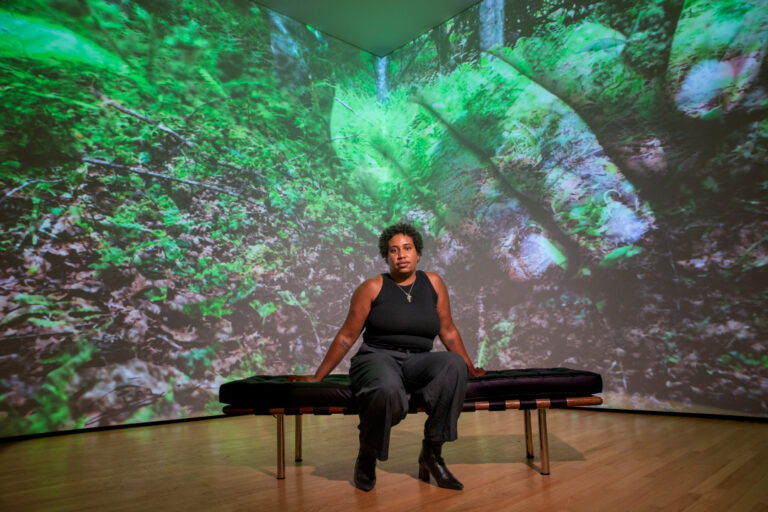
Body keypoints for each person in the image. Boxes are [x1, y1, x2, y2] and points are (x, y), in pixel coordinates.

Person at [289, 223, 486, 491]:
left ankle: (432, 452)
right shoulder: (372, 287)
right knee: (387, 388)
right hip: (376, 358)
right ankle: (367, 455)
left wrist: (469, 367)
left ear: (418, 253)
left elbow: (448, 331)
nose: (401, 255)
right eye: (394, 250)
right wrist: (317, 377)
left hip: (417, 360)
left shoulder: (434, 283)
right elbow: (347, 336)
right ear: (386, 257)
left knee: (454, 364)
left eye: (407, 248)